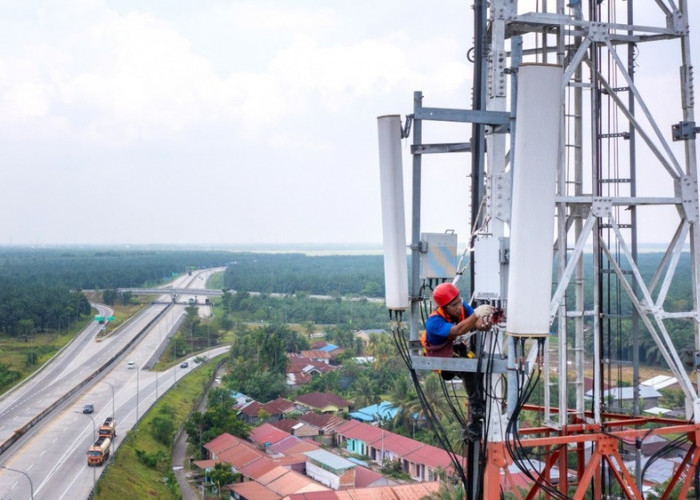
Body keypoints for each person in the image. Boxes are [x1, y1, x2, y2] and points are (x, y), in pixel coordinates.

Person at [424, 282, 494, 440]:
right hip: (440, 357)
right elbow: (458, 330)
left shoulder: (462, 308)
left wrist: (484, 323)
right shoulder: (434, 322)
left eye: (459, 302)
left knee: (477, 370)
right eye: (454, 305)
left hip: (455, 349)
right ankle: (476, 409)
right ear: (445, 307)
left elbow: (474, 323)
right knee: (468, 368)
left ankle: (475, 419)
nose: (458, 307)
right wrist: (476, 314)